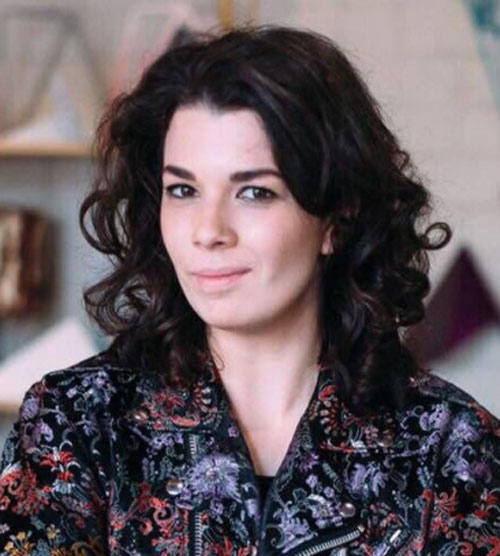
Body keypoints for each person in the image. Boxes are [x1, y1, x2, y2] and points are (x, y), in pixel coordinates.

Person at [0, 24, 499, 556]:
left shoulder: (452, 448)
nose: (208, 231)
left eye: (255, 192)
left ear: (337, 218)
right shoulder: (76, 422)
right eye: (183, 190)